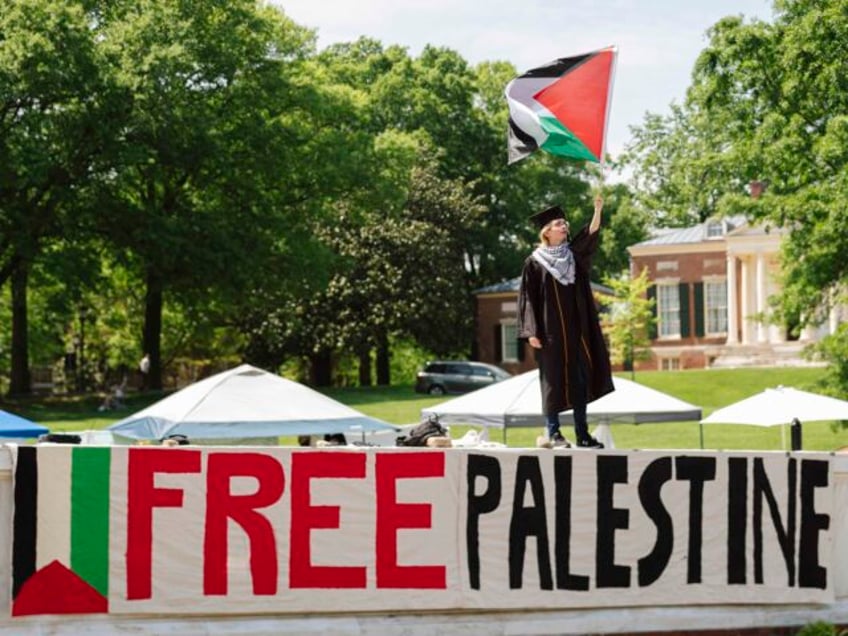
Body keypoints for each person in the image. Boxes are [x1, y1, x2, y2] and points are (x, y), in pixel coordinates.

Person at [517, 194, 614, 449]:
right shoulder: (535, 263)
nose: (565, 226)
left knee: (580, 381)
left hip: (577, 332)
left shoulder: (572, 256)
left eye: (564, 223)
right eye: (559, 223)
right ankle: (554, 433)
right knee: (553, 381)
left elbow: (590, 235)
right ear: (547, 232)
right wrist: (531, 331)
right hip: (550, 334)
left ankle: (583, 434)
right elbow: (528, 298)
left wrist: (598, 209)